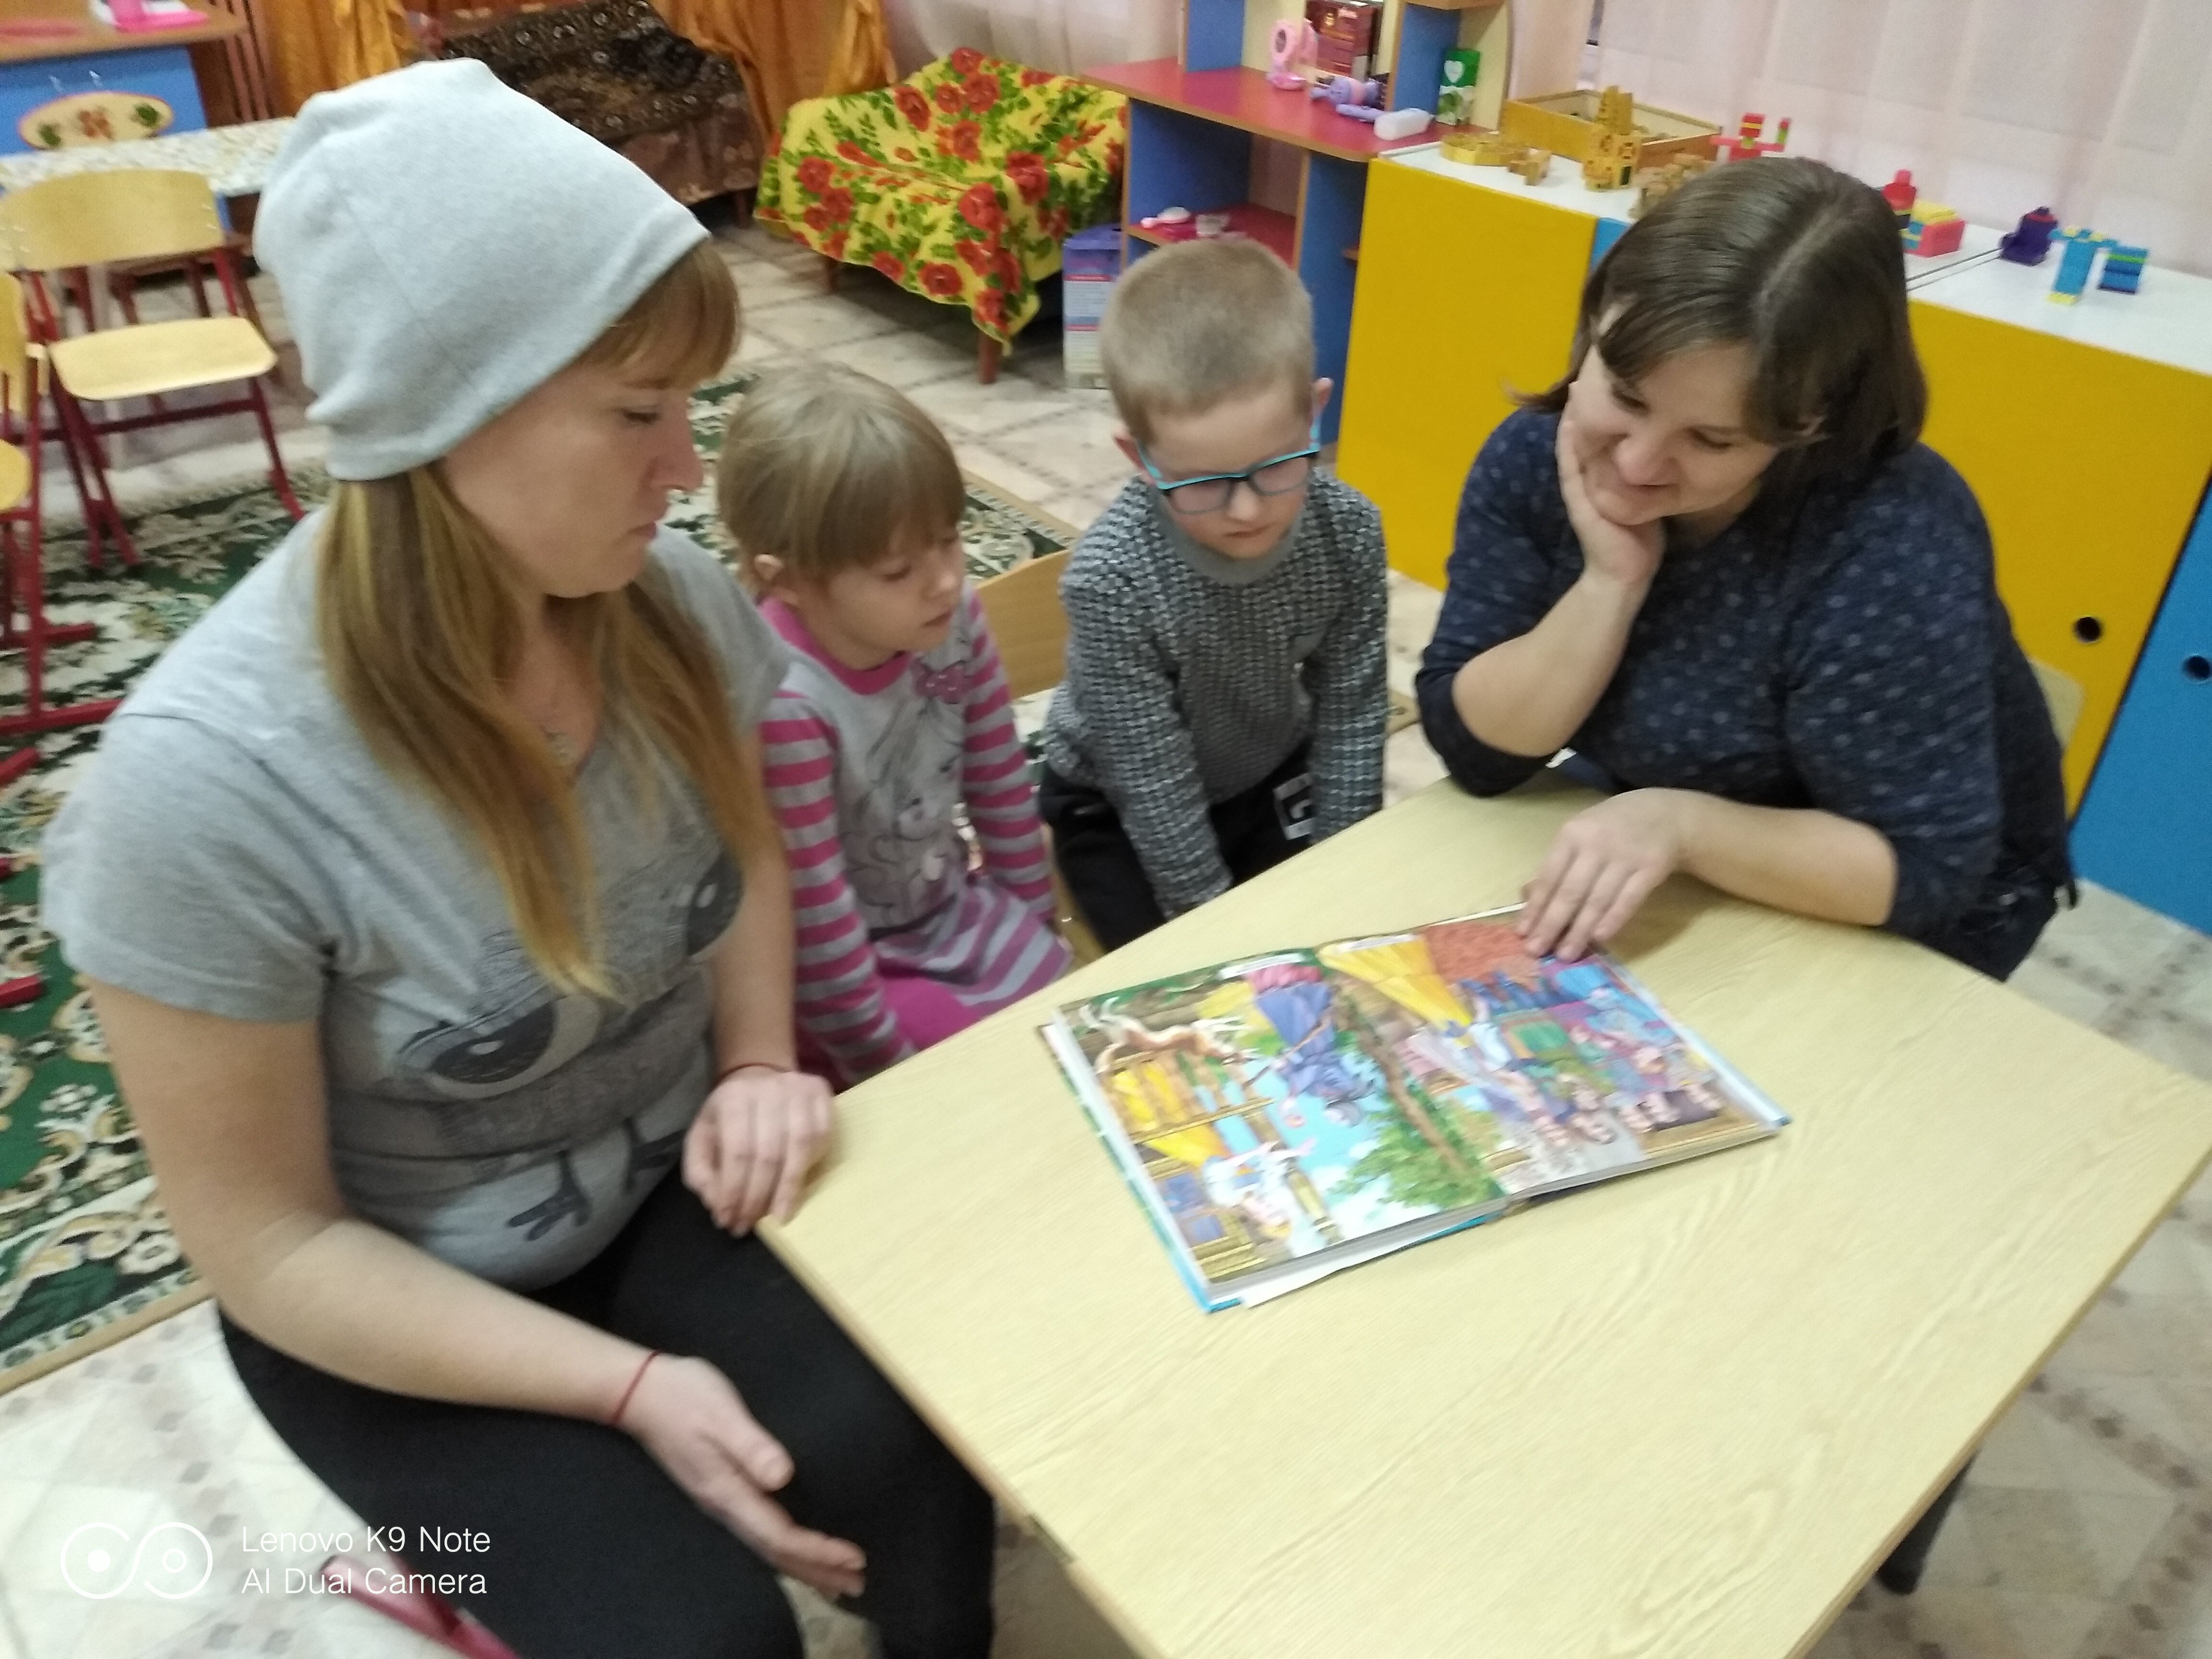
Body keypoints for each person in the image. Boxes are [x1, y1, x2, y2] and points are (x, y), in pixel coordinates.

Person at [38, 62, 994, 1659]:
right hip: (381, 1309)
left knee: (924, 1469)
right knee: (689, 1638)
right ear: (440, 412)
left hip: (666, 1188)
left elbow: (745, 837)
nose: (687, 467)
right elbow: (268, 1245)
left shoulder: (670, 608)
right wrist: (631, 1391)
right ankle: (441, 1564)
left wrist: (760, 1055)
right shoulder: (198, 791)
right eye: (637, 412)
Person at [1418, 158, 2071, 982]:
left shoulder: (1891, 542)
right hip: (1664, 819)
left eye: (1712, 439)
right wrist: (1609, 586)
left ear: (1813, 428)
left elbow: (1929, 871)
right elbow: (1477, 750)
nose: (1637, 464)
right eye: (1626, 394)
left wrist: (1683, 827)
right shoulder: (1536, 456)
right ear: (1594, 327)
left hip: (1904, 905)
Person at [717, 365, 1070, 1085]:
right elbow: (816, 926)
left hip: (947, 909)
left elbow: (1000, 782)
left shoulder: (954, 616)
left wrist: (1033, 925)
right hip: (841, 968)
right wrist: (886, 1068)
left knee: (1061, 1015)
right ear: (787, 580)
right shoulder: (785, 703)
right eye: (896, 570)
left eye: (949, 540)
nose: (945, 580)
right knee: (982, 1075)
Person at [1039, 238, 1389, 950]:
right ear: (1139, 458)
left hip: (1263, 769)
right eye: (1202, 482)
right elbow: (1153, 784)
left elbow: (1352, 714)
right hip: (1113, 802)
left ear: (1314, 414)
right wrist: (1214, 930)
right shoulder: (1112, 581)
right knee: (1175, 973)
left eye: (1277, 466)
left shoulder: (1349, 531)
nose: (1246, 510)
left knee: (1329, 923)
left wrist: (1344, 871)